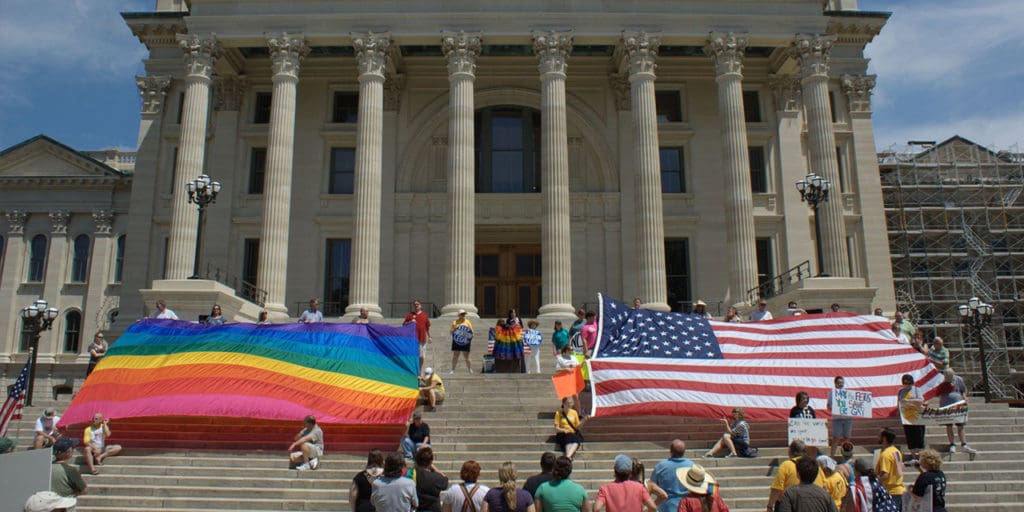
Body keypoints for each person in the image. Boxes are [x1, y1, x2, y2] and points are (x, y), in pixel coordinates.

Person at [936, 368, 975, 456]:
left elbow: (963, 390)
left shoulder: (958, 379)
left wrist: (965, 397)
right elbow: (938, 392)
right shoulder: (941, 381)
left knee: (960, 425)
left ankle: (964, 444)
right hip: (945, 405)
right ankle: (952, 444)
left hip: (958, 404)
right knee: (949, 425)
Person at [648, 439, 694, 512]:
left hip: (667, 506)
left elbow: (652, 485)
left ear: (671, 451)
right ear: (684, 452)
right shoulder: (692, 466)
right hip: (687, 506)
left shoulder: (661, 466)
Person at [767, 440, 810, 512]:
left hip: (787, 505)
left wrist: (770, 506)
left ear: (790, 451)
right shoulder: (814, 466)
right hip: (809, 504)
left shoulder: (786, 465)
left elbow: (776, 489)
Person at [897, 374, 926, 461]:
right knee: (910, 436)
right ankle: (913, 456)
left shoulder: (917, 390)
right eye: (905, 383)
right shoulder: (901, 391)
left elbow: (921, 401)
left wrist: (909, 401)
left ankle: (920, 455)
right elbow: (899, 403)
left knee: (919, 436)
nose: (907, 385)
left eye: (909, 383)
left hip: (917, 416)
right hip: (906, 417)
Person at [411, 446, 449, 512]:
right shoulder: (435, 477)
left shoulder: (411, 475)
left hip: (417, 508)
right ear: (430, 462)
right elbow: (445, 481)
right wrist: (435, 469)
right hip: (433, 509)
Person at [875, 429, 904, 510]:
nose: (878, 437)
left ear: (884, 438)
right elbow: (900, 470)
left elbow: (884, 475)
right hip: (899, 490)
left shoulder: (886, 454)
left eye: (879, 435)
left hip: (890, 492)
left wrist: (872, 481)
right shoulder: (896, 451)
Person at [405, 300, 433, 377]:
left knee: (421, 356)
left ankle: (421, 371)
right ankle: (415, 371)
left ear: (420, 305)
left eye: (418, 304)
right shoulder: (410, 315)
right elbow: (404, 324)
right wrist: (410, 322)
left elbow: (427, 327)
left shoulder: (424, 315)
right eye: (415, 304)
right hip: (412, 339)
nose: (416, 305)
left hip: (422, 338)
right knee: (414, 356)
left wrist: (429, 336)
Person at [827, 376, 853, 458]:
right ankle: (832, 456)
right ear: (835, 383)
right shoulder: (831, 393)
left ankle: (846, 455)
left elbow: (852, 404)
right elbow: (828, 406)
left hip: (847, 418)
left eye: (842, 382)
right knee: (835, 437)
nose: (841, 384)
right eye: (839, 382)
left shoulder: (848, 393)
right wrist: (831, 406)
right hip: (837, 418)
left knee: (847, 438)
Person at [450, 309, 475, 373]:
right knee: (455, 356)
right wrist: (455, 328)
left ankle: (470, 369)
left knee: (467, 357)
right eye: (462, 314)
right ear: (459, 315)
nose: (463, 315)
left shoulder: (467, 322)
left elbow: (471, 331)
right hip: (456, 341)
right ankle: (452, 369)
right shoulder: (455, 322)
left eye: (464, 314)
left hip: (466, 341)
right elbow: (451, 332)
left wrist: (472, 334)